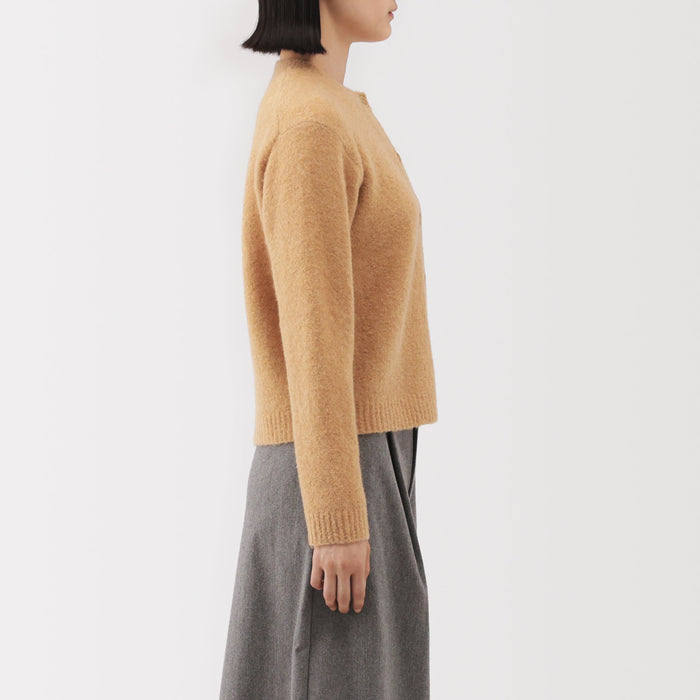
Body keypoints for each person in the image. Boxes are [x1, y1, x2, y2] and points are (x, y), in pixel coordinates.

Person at [219, 1, 438, 697]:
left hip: (360, 456)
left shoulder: (331, 109)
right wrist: (338, 514)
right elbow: (312, 331)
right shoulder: (310, 123)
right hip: (334, 468)